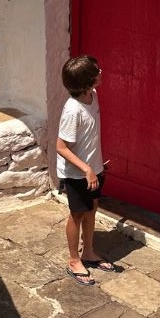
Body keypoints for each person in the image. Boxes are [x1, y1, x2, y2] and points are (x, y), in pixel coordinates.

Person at [56, 54, 116, 286]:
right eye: (97, 71)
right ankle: (74, 260)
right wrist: (86, 169)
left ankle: (88, 251)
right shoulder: (73, 111)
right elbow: (61, 147)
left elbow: (89, 138)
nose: (101, 72)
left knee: (91, 210)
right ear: (87, 81)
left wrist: (97, 165)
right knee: (77, 214)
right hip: (77, 174)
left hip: (94, 168)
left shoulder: (93, 96)